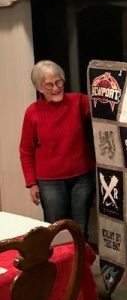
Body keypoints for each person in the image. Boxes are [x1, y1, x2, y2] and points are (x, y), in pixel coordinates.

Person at [19, 60, 96, 240]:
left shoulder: (78, 102)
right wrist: (32, 183)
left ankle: (80, 267)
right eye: (49, 85)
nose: (56, 88)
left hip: (82, 176)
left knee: (80, 228)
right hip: (50, 182)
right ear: (39, 88)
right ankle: (61, 267)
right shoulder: (32, 112)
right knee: (56, 231)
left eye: (59, 82)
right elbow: (26, 150)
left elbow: (104, 105)